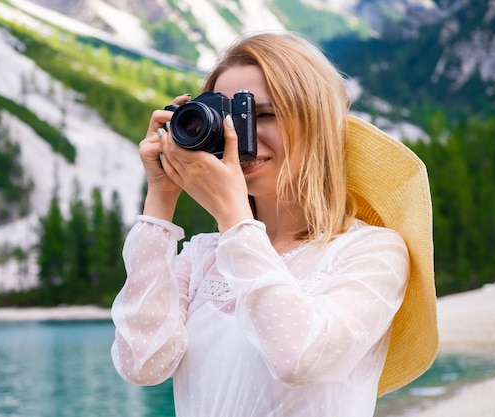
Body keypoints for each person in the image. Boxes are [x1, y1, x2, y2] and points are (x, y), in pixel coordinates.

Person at [110, 31, 438, 417]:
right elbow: (142, 364)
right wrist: (161, 199)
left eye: (260, 115)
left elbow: (299, 358)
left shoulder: (370, 252)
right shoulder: (202, 257)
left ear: (316, 124)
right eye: (226, 119)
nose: (239, 138)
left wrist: (234, 219)